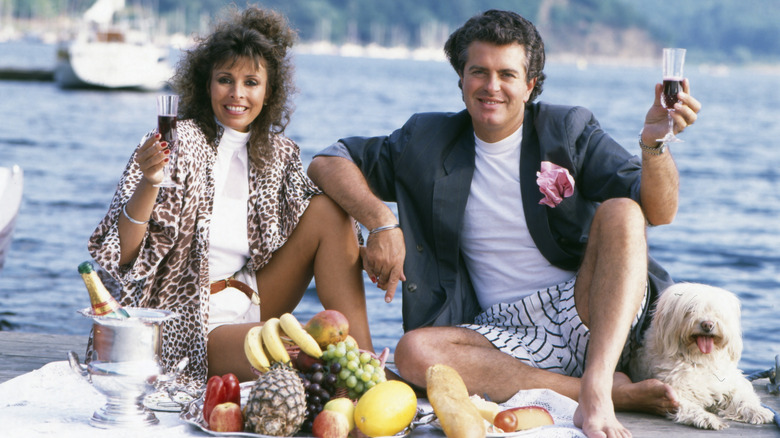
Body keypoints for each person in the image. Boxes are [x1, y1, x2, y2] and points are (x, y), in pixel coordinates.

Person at [308, 9, 701, 438]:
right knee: (414, 351)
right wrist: (382, 223)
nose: (492, 86)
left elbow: (659, 211)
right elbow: (329, 160)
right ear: (461, 80)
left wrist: (654, 142)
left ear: (530, 85)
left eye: (507, 74)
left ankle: (599, 381)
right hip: (502, 331)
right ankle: (603, 391)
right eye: (479, 72)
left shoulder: (567, 130)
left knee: (623, 210)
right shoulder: (426, 141)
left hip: (591, 306)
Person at [87, 5, 373, 387]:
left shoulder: (278, 154)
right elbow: (122, 255)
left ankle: (368, 363)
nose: (237, 94)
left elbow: (329, 230)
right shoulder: (174, 143)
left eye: (251, 82)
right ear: (207, 84)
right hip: (185, 320)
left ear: (269, 91)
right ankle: (355, 376)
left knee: (330, 212)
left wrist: (378, 240)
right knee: (306, 355)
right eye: (226, 79)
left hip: (251, 299)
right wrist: (150, 181)